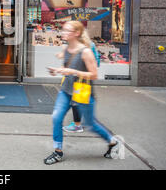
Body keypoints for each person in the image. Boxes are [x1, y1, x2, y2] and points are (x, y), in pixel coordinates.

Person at [44, 21, 120, 165]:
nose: (63, 33)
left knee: (91, 124)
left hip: (82, 92)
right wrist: (57, 71)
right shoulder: (66, 48)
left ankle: (113, 142)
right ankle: (58, 151)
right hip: (66, 91)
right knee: (56, 117)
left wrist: (73, 72)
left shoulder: (85, 51)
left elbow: (94, 75)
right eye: (63, 30)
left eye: (67, 31)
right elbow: (67, 68)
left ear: (76, 33)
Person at [63, 40, 101, 133]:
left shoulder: (83, 46)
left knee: (76, 100)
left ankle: (78, 125)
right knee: (81, 100)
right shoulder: (89, 44)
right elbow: (97, 62)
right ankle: (83, 122)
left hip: (81, 78)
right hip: (84, 78)